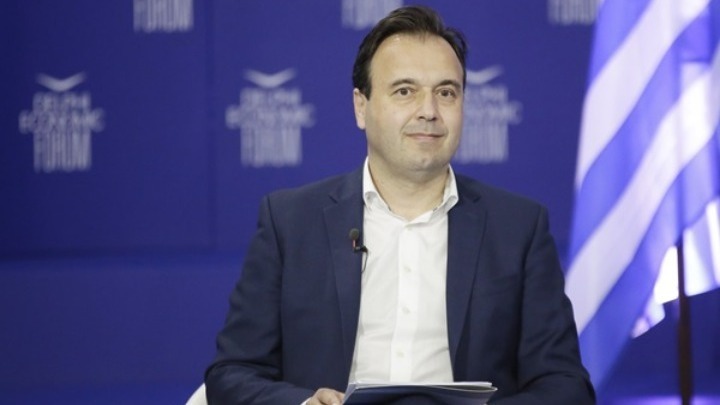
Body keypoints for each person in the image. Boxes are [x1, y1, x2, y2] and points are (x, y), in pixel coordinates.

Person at [205, 5, 595, 405]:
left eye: (446, 92)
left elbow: (566, 386)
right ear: (361, 107)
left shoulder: (518, 228)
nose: (429, 111)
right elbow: (231, 374)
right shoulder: (290, 222)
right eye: (405, 91)